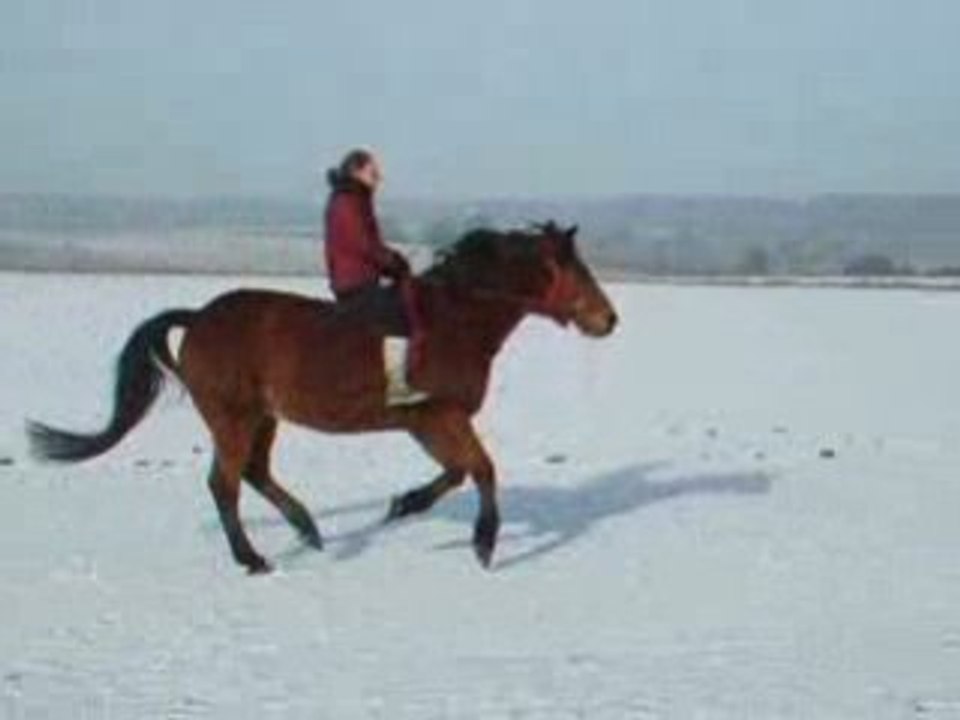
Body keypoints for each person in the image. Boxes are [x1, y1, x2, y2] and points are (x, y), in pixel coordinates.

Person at [322, 148, 426, 401]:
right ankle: (397, 384)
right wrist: (393, 263)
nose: (379, 178)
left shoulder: (354, 198)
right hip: (354, 282)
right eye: (373, 172)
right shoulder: (347, 202)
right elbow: (363, 244)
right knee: (400, 315)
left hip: (359, 278)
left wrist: (391, 262)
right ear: (356, 172)